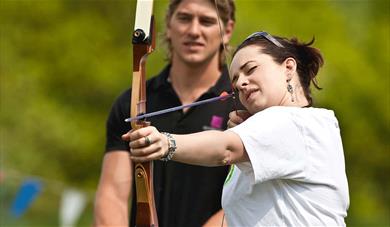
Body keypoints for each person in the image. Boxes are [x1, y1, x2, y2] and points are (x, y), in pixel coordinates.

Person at [125, 31, 350, 226]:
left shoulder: (297, 122)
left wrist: (166, 143)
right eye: (236, 80)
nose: (241, 83)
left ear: (288, 67)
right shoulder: (286, 130)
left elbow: (226, 149)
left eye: (250, 69)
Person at [94, 0, 236, 226]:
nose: (194, 30)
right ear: (168, 25)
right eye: (184, 18)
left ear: (227, 31)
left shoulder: (241, 106)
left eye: (207, 21)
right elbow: (112, 195)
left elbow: (246, 200)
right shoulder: (133, 102)